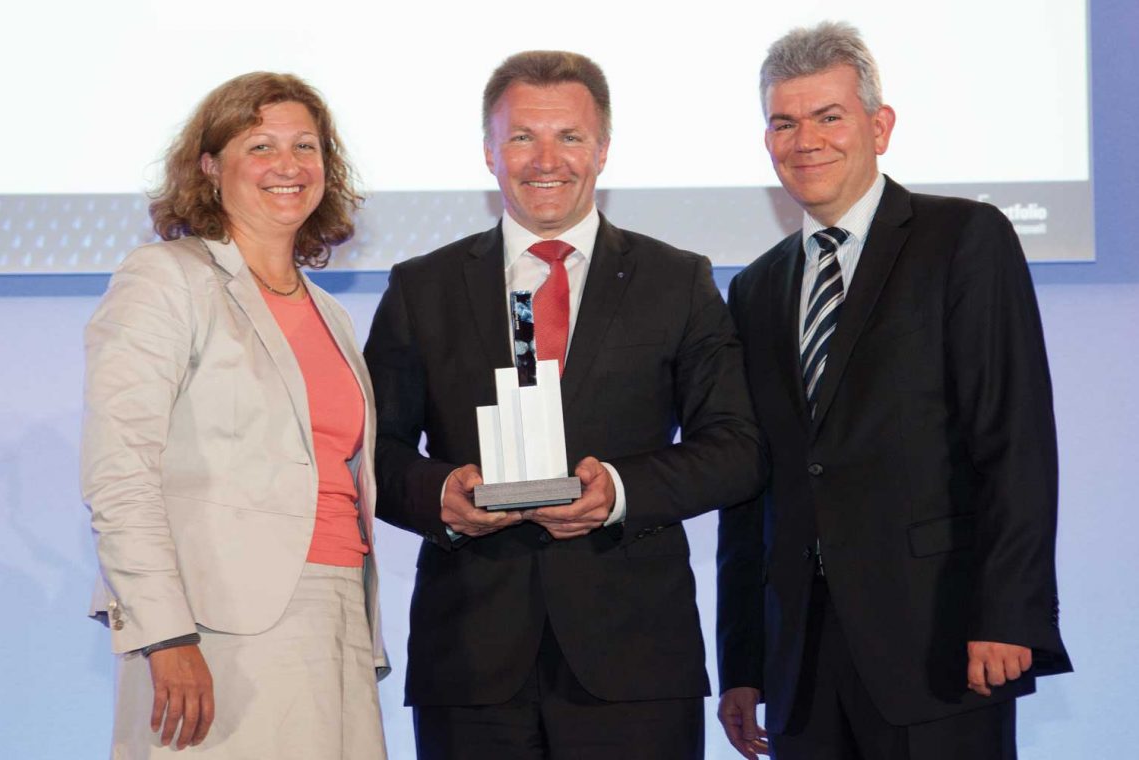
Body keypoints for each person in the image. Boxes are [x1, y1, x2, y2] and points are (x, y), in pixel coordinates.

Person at [364, 50, 763, 759]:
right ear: (489, 151)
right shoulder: (421, 288)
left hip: (635, 660)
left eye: (569, 137)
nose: (546, 160)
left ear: (602, 149)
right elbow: (374, 451)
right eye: (522, 136)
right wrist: (439, 494)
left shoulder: (677, 280)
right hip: (470, 662)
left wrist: (621, 490)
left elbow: (736, 448)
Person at [716, 22, 1072, 760]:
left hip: (943, 647)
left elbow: (1014, 441)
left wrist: (1009, 615)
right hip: (802, 666)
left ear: (879, 126)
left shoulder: (964, 238)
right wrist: (744, 664)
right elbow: (752, 494)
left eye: (829, 116)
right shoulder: (755, 288)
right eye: (784, 123)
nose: (806, 141)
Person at [82, 72, 389, 758]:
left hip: (337, 611)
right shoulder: (165, 278)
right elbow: (119, 469)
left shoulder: (330, 312)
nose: (288, 165)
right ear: (210, 167)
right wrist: (166, 634)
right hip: (215, 626)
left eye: (305, 146)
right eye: (260, 146)